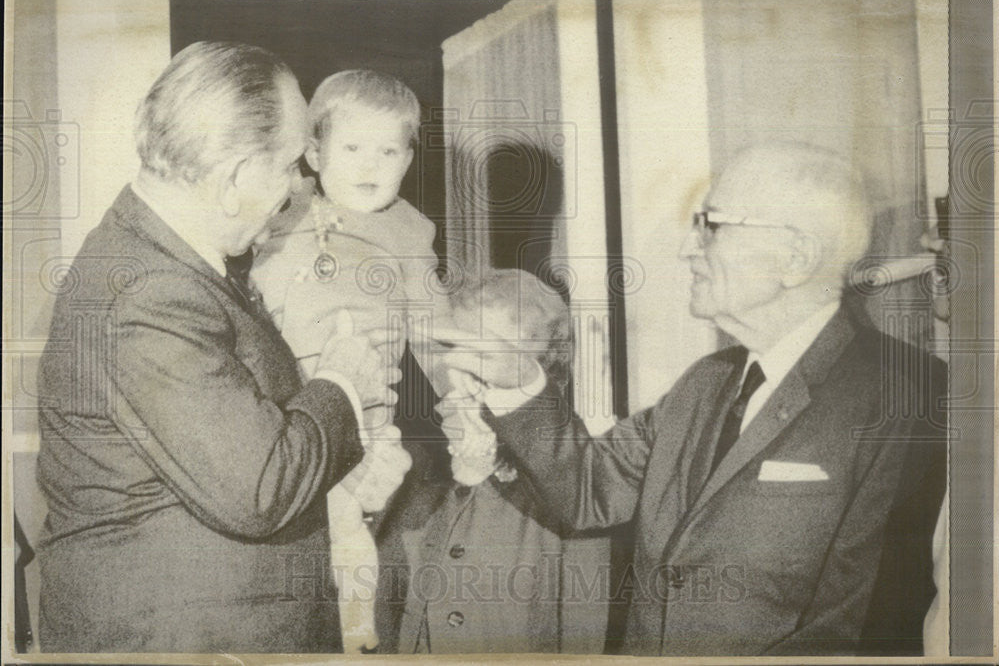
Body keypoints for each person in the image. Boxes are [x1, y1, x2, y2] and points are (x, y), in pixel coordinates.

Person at [444, 142, 948, 656]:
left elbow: (862, 626)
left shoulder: (907, 397)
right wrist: (518, 381)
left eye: (711, 224)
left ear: (796, 257)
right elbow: (590, 488)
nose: (688, 248)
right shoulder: (704, 384)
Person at [34, 42, 409, 653]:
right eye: (290, 165)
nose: (296, 189)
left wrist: (349, 473)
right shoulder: (149, 293)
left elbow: (257, 450)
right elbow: (260, 489)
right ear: (237, 176)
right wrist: (342, 381)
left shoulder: (178, 267)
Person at [250, 69, 445, 652]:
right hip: (280, 413)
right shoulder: (278, 213)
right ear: (314, 152)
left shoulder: (408, 231)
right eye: (353, 148)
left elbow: (433, 328)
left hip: (367, 419)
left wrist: (466, 402)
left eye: (389, 150)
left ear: (408, 160)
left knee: (352, 530)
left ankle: (358, 637)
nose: (370, 166)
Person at [377, 269, 609, 654]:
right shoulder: (408, 468)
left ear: (543, 375)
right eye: (461, 352)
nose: (469, 375)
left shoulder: (575, 486)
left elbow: (585, 636)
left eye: (492, 360)